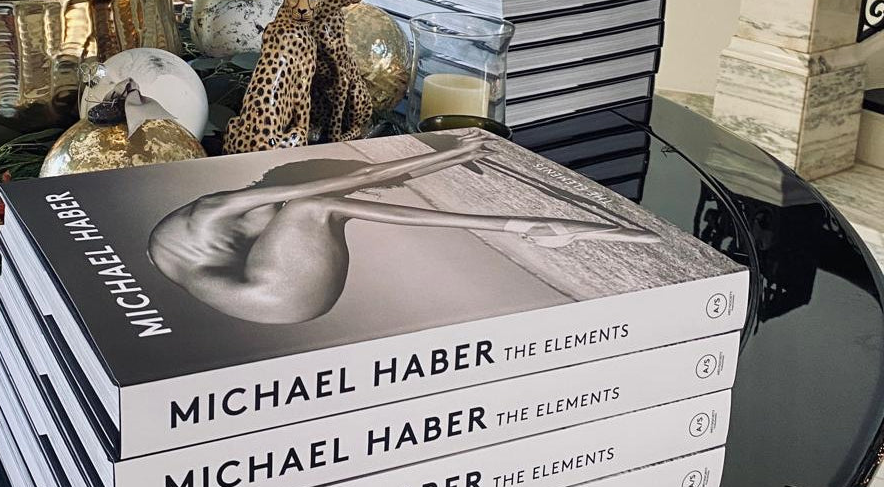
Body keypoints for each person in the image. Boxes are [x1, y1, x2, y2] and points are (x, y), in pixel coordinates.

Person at [147, 130, 659, 325]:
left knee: (321, 205)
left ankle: (525, 224)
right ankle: (525, 225)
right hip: (276, 295)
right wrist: (452, 154)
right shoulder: (223, 206)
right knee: (314, 207)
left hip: (274, 298)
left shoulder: (189, 238)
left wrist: (438, 162)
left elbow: (357, 183)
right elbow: (362, 176)